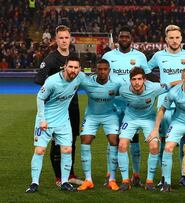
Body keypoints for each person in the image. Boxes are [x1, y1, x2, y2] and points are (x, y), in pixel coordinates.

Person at [147, 24, 185, 187]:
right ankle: (164, 177)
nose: (175, 40)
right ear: (166, 39)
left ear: (181, 39)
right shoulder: (158, 56)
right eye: (171, 37)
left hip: (184, 104)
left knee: (183, 140)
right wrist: (159, 86)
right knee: (164, 140)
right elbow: (146, 71)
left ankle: (184, 176)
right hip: (165, 103)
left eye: (177, 37)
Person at [26, 56, 85, 193]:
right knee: (40, 150)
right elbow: (40, 97)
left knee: (67, 150)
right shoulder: (52, 81)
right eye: (70, 67)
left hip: (63, 121)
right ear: (65, 66)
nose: (73, 70)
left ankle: (64, 182)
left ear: (80, 69)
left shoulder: (80, 77)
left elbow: (94, 81)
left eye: (76, 67)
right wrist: (42, 119)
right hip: (45, 120)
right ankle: (34, 183)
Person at [117, 67, 181, 191]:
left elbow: (171, 84)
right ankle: (125, 181)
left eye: (140, 79)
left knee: (154, 146)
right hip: (130, 118)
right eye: (134, 79)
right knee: (122, 145)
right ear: (130, 80)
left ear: (144, 80)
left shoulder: (154, 88)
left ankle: (149, 182)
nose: (137, 82)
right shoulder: (123, 90)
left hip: (148, 119)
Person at [33, 25, 82, 187]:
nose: (64, 40)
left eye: (66, 37)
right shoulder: (50, 59)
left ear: (70, 39)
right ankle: (58, 177)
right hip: (54, 109)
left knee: (71, 141)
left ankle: (70, 174)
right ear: (56, 39)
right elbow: (40, 80)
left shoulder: (74, 57)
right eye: (60, 38)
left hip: (72, 105)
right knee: (55, 143)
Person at [102, 26, 151, 186]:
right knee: (113, 139)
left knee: (134, 139)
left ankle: (136, 175)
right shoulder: (108, 56)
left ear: (131, 39)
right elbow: (103, 77)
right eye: (121, 37)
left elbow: (148, 77)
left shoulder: (140, 56)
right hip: (113, 105)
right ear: (117, 39)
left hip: (133, 105)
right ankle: (110, 175)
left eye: (127, 37)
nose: (124, 39)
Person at [76, 59, 122, 191]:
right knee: (85, 140)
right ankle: (88, 180)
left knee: (114, 140)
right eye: (100, 69)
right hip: (91, 116)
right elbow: (73, 83)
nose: (102, 72)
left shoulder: (117, 83)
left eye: (105, 69)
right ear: (96, 70)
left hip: (110, 116)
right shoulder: (87, 81)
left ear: (109, 71)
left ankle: (112, 179)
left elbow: (127, 92)